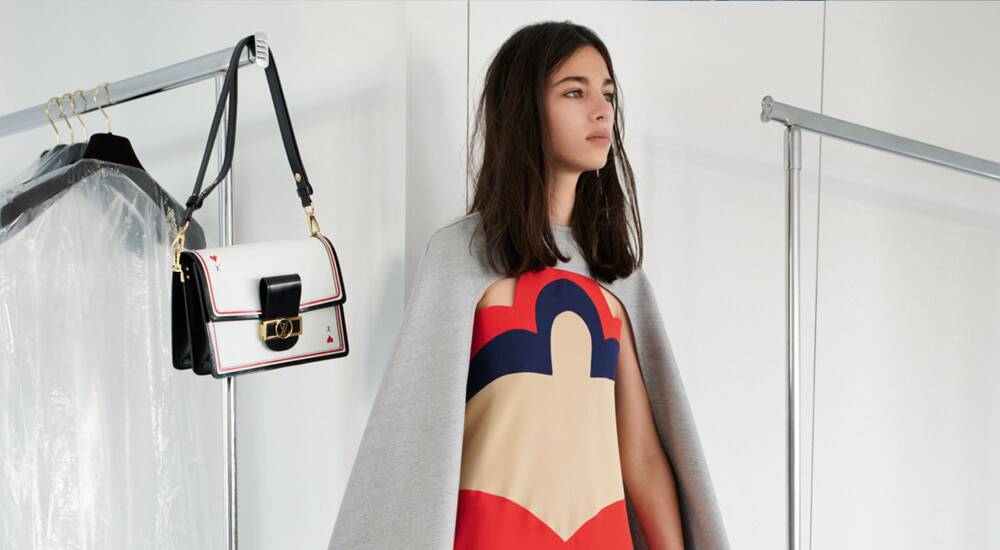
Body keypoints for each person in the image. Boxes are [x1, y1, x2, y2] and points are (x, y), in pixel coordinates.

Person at [454, 21, 684, 550]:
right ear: (522, 108)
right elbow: (423, 440)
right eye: (574, 92)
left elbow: (643, 456)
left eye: (607, 93)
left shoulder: (615, 277)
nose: (601, 110)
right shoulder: (462, 259)